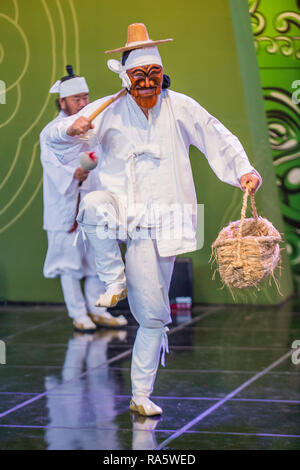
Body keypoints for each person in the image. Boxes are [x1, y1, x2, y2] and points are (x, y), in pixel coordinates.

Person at [46, 24, 262, 415]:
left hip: (163, 219)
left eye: (153, 76)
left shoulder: (181, 106)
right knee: (92, 205)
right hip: (119, 206)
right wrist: (70, 128)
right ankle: (114, 280)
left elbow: (217, 136)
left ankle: (141, 394)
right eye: (138, 76)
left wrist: (243, 169)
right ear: (126, 78)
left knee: (154, 315)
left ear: (162, 75)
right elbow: (60, 138)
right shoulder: (108, 111)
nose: (146, 83)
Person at [40, 65, 127, 333]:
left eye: (86, 97)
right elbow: (64, 170)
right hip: (65, 208)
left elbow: (98, 162)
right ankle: (78, 314)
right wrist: (82, 168)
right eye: (77, 99)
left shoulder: (94, 127)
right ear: (62, 101)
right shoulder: (52, 132)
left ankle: (97, 310)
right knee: (69, 264)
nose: (83, 103)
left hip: (95, 206)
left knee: (96, 260)